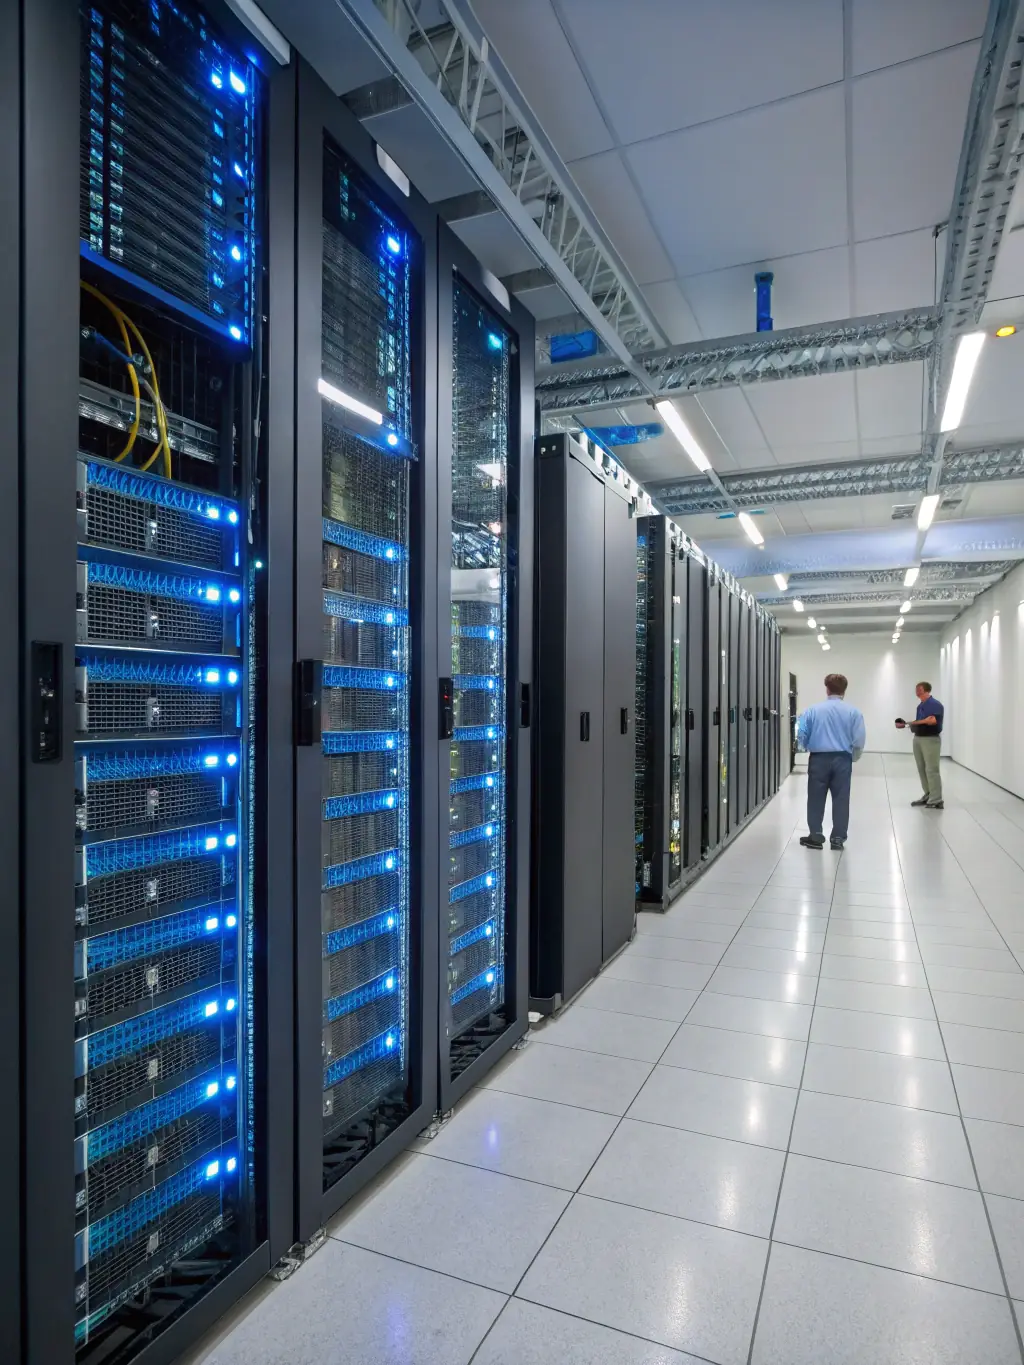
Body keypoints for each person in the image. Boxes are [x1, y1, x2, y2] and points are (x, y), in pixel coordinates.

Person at [796, 673, 866, 851]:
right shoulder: (854, 712)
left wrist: (806, 747)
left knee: (815, 797)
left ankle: (816, 835)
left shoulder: (813, 710)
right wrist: (854, 757)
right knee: (841, 798)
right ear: (844, 690)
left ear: (827, 689)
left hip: (818, 758)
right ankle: (837, 838)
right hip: (842, 759)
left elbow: (801, 733)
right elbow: (859, 740)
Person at [896, 681, 944, 809]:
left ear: (927, 690)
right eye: (916, 688)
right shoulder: (920, 706)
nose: (917, 690)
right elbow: (921, 721)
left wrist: (915, 723)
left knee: (931, 769)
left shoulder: (934, 704)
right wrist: (907, 724)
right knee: (921, 768)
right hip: (918, 738)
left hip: (930, 740)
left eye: (919, 689)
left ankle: (936, 799)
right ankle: (928, 794)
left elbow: (932, 720)